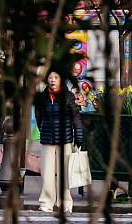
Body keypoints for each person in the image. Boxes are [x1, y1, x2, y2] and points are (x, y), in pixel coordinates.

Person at [34, 69, 84, 215]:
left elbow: (76, 118)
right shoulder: (42, 97)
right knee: (46, 173)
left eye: (56, 77)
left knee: (64, 174)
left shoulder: (68, 96)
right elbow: (39, 118)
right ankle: (46, 203)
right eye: (50, 77)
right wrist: (44, 130)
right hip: (47, 140)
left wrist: (79, 137)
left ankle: (65, 203)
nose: (53, 80)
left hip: (65, 140)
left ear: (61, 80)